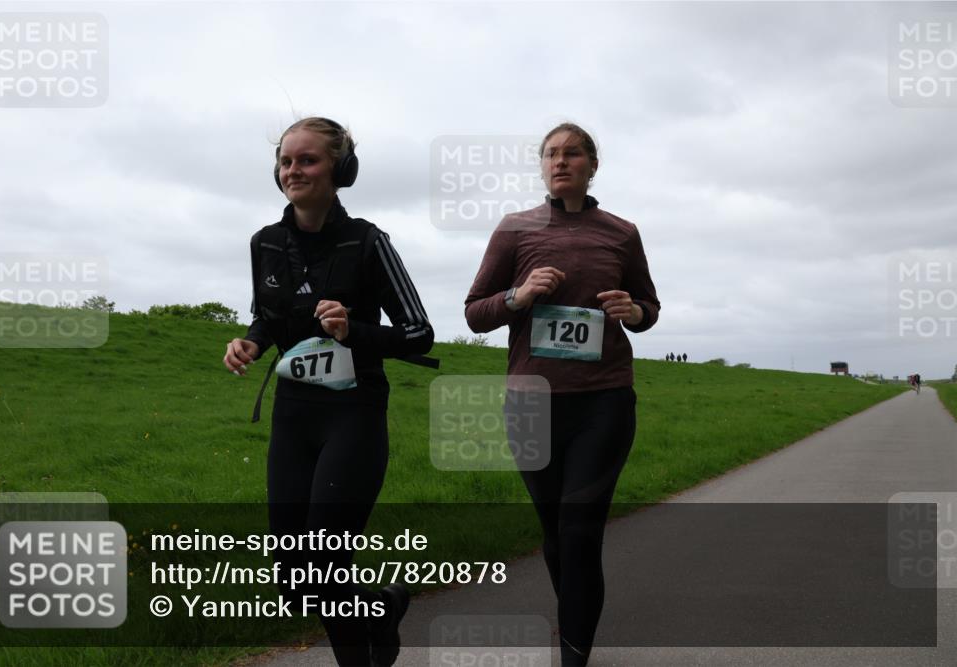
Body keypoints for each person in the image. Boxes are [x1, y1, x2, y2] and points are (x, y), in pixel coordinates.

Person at [223, 117, 434, 666]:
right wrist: (250, 343)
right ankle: (381, 608)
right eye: (285, 161)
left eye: (308, 159)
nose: (293, 170)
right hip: (294, 415)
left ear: (342, 169)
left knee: (324, 563)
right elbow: (268, 318)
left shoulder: (367, 241)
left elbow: (419, 333)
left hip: (353, 415)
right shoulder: (265, 243)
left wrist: (352, 331)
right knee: (295, 581)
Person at [464, 123, 660, 665]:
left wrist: (633, 310)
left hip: (603, 399)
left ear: (592, 164)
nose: (560, 161)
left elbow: (649, 308)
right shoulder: (516, 229)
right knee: (554, 531)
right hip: (532, 403)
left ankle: (573, 653)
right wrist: (519, 295)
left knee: (579, 530)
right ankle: (574, 617)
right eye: (551, 154)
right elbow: (475, 313)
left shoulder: (621, 232)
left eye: (573, 153)